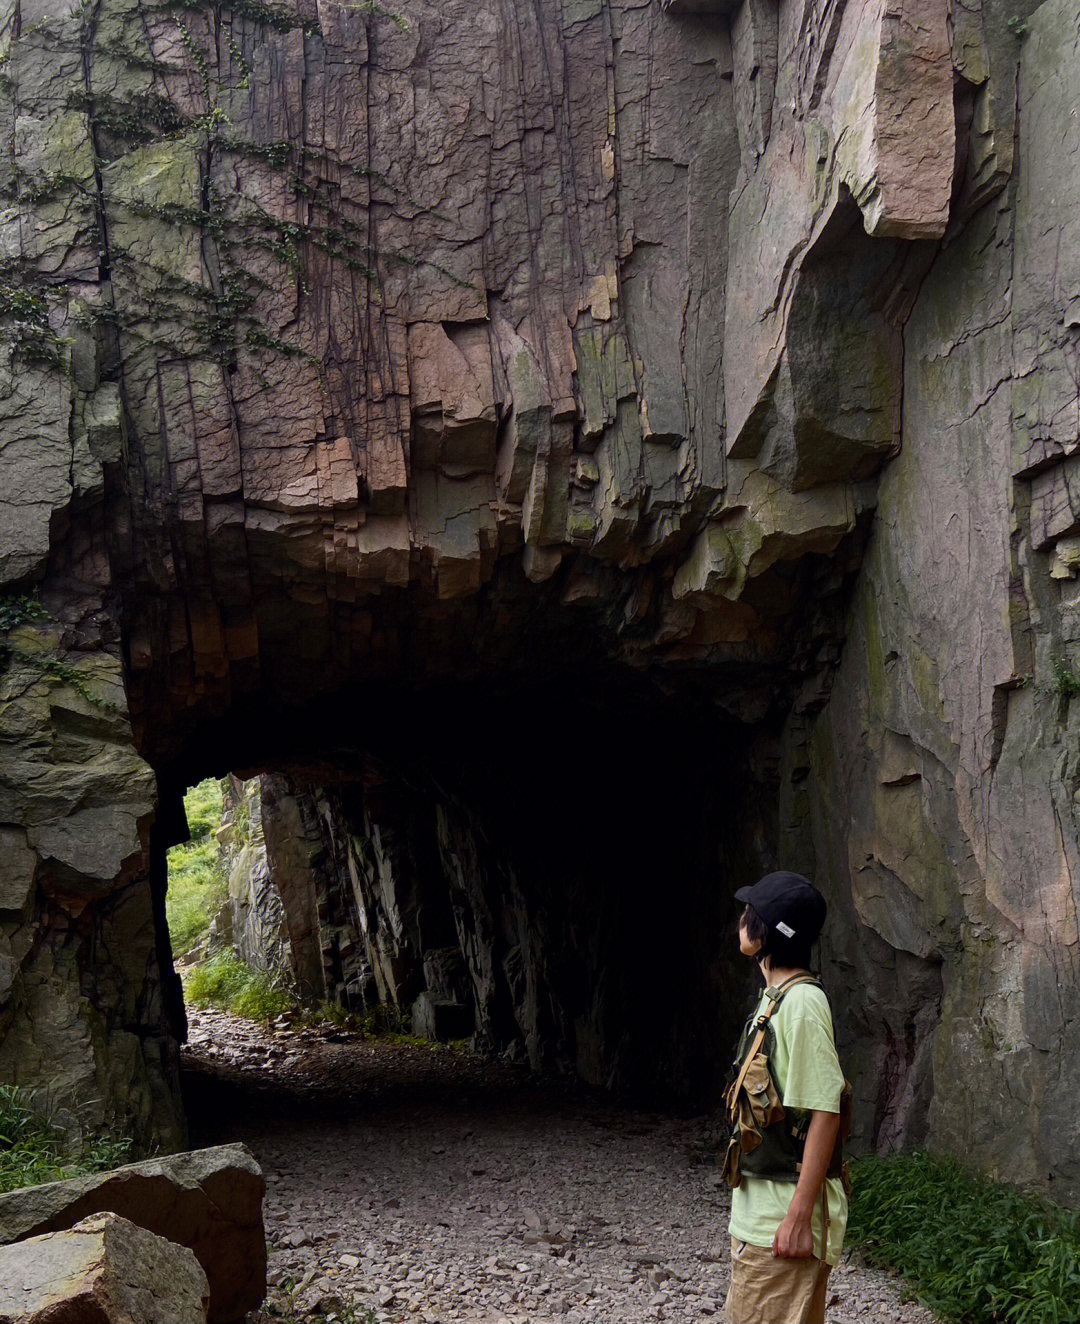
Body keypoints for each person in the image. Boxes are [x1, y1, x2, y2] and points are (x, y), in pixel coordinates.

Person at [724, 871, 848, 1324]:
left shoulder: (802, 1005)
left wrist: (797, 1219)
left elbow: (826, 1112)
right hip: (763, 1221)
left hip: (780, 1226)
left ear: (765, 935)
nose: (742, 919)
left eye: (750, 913)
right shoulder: (776, 998)